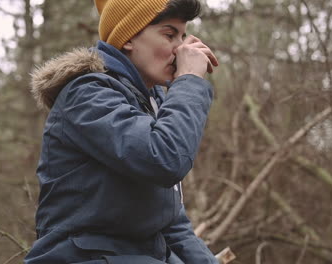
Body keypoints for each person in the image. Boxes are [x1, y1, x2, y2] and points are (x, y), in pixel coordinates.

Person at [25, 0, 219, 263]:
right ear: (128, 38)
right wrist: (190, 82)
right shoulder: (87, 95)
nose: (181, 48)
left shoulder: (152, 102)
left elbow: (171, 223)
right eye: (169, 34)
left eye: (183, 36)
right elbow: (164, 158)